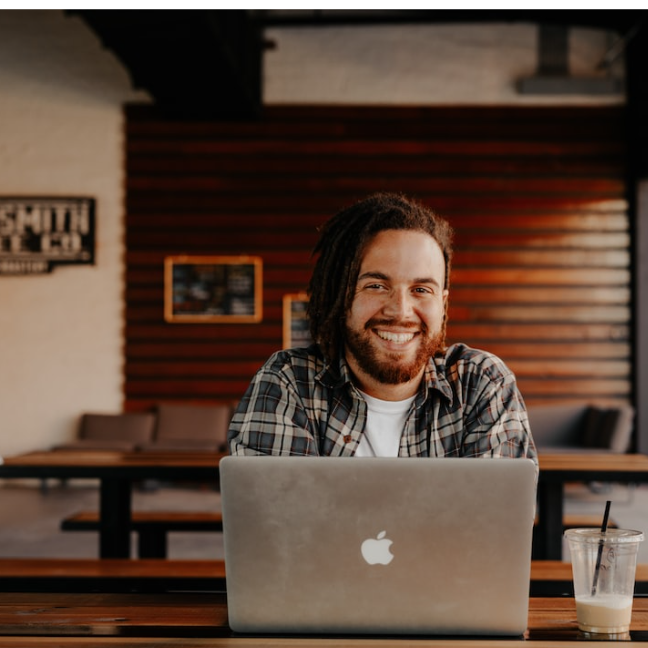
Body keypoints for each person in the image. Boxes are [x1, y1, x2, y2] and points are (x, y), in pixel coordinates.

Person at [228, 192, 536, 462]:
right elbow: (277, 524)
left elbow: (492, 525)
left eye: (421, 289)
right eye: (376, 285)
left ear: (442, 304)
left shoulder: (481, 384)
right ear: (341, 294)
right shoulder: (289, 384)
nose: (400, 311)